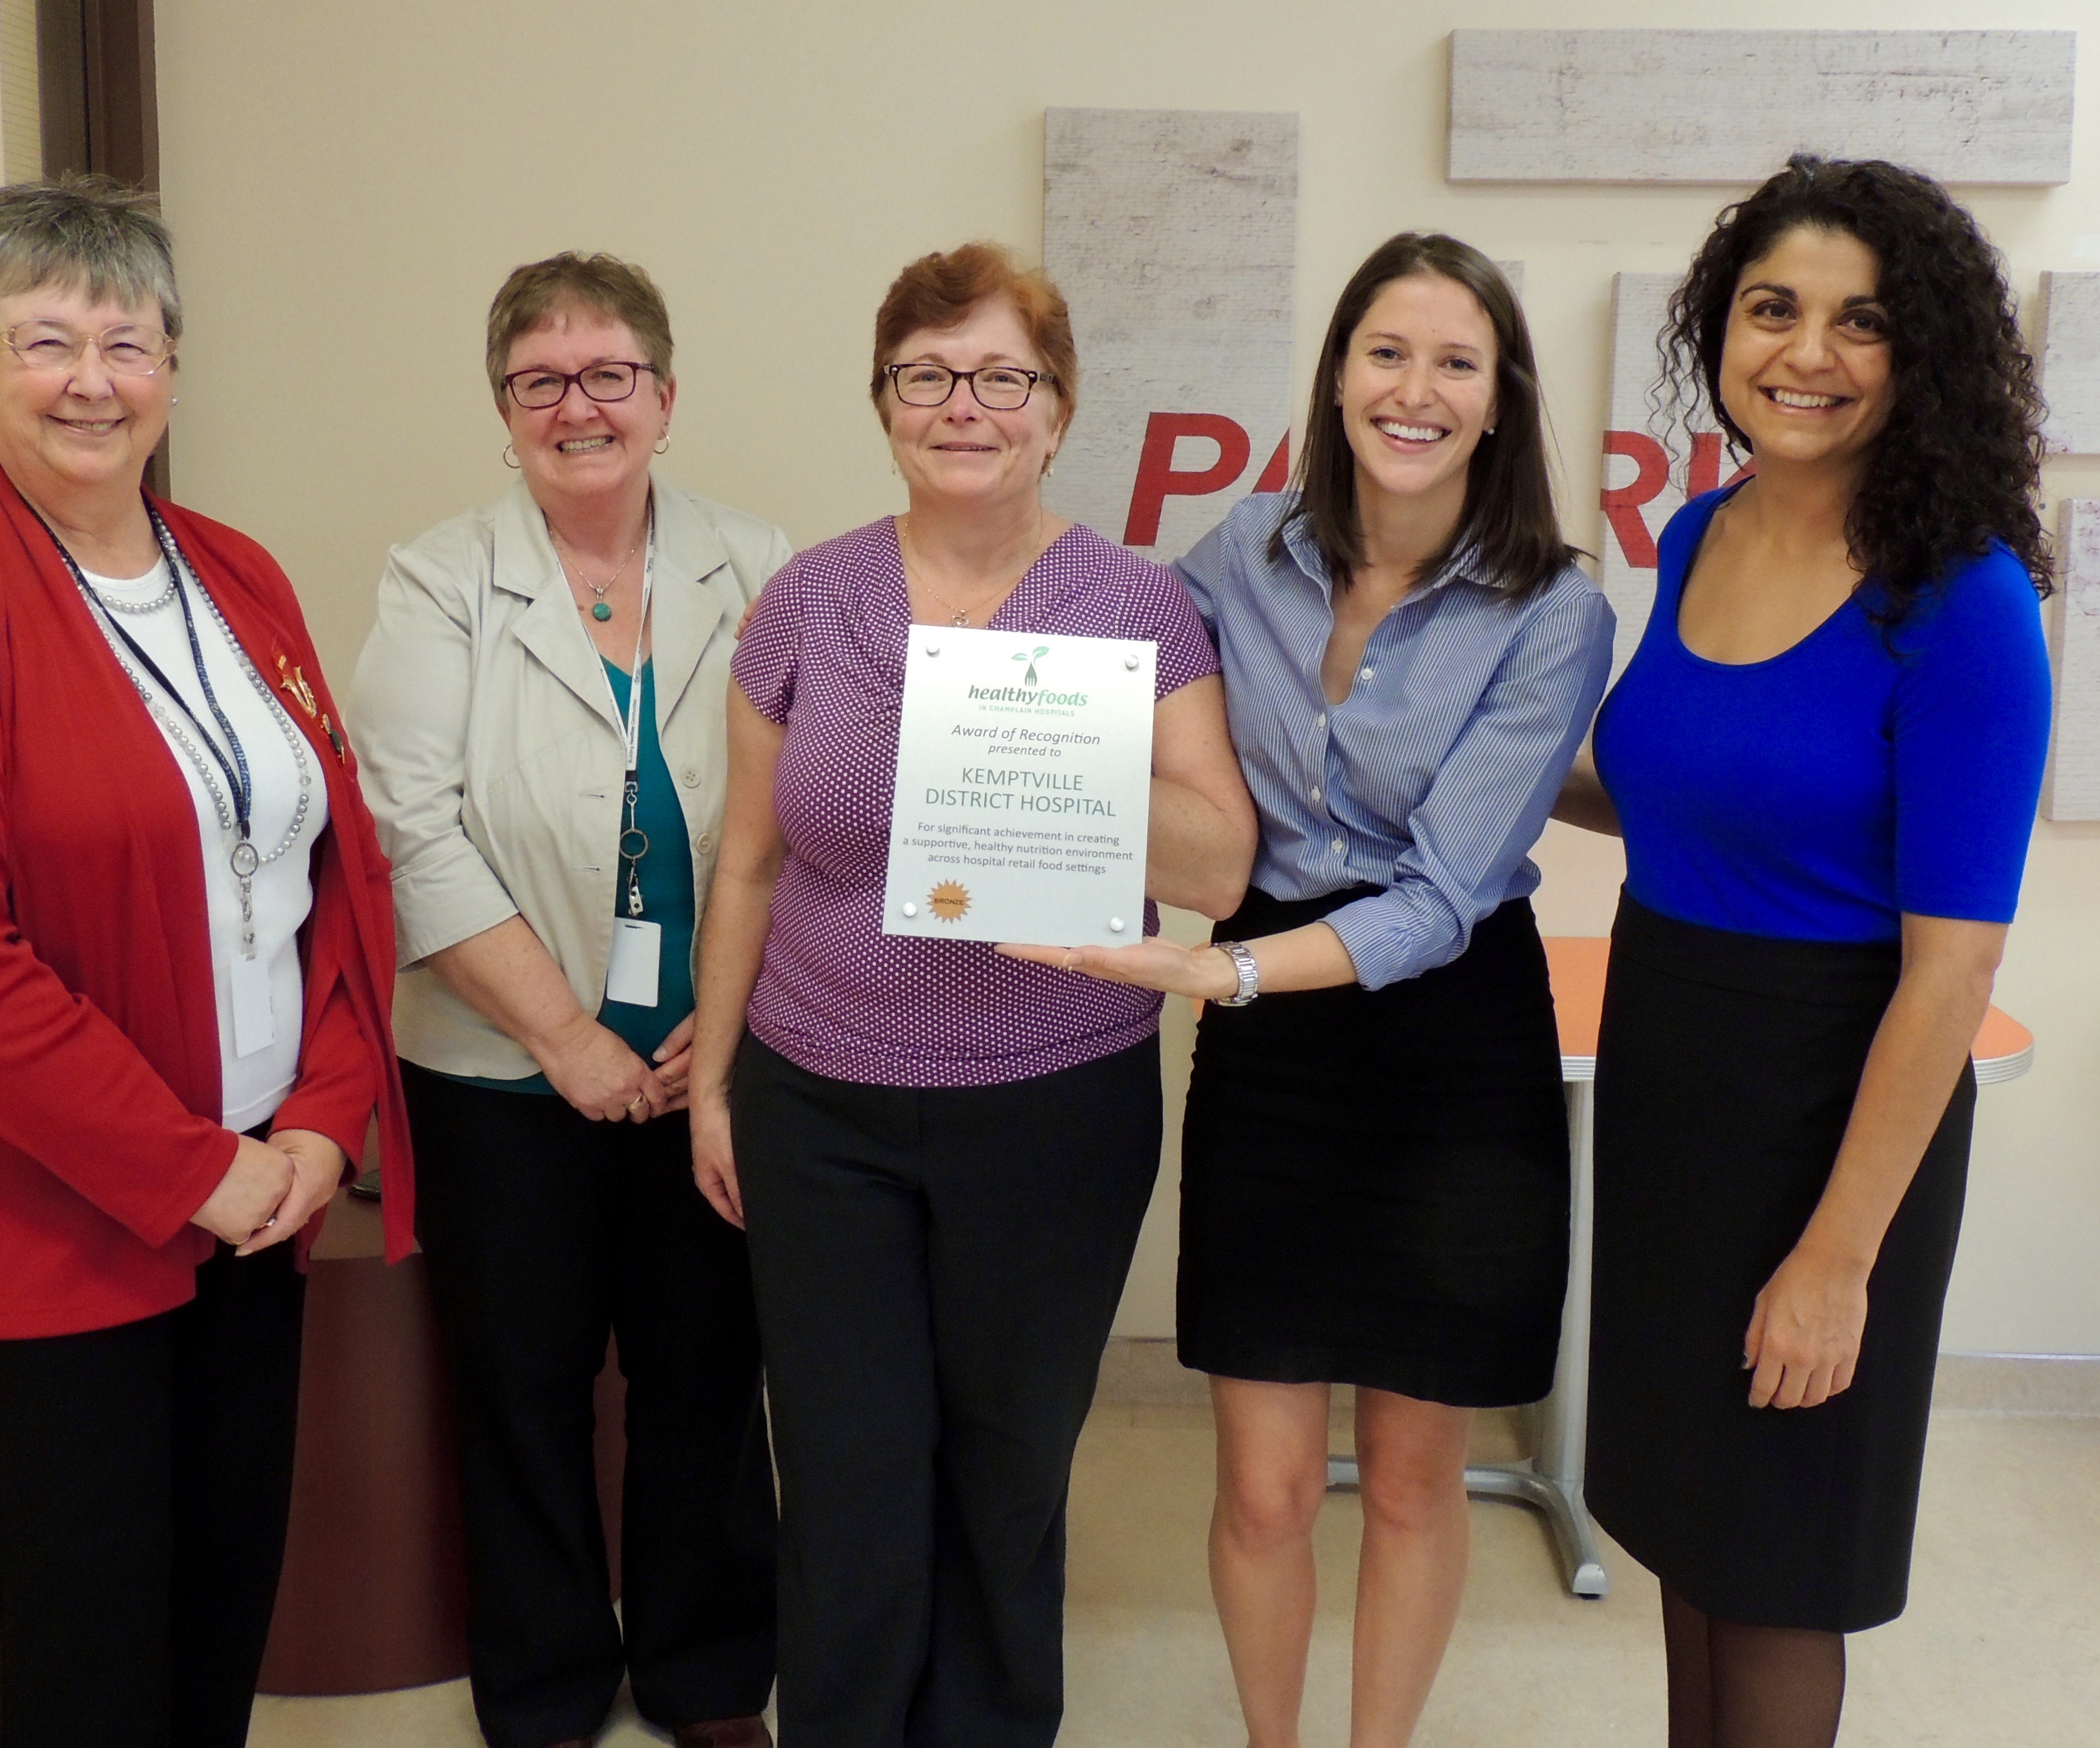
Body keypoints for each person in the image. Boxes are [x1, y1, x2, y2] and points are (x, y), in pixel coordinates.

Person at [0, 175, 410, 1748]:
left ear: (171, 365)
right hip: (39, 1229)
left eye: (126, 340)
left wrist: (315, 1123)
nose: (91, 377)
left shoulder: (241, 575)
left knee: (218, 1606)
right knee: (87, 1647)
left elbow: (324, 881)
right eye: (44, 339)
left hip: (256, 1205)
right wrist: (185, 1169)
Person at [1011, 234, 1614, 1748]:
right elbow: (1113, 718)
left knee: (1412, 1478)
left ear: (1498, 401)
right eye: (1384, 352)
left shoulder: (1551, 608)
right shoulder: (1237, 556)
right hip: (1273, 1062)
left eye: (1453, 362)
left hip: (1448, 1044)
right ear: (1338, 374)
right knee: (1264, 1485)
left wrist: (1219, 966)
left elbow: (1437, 893)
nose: (1412, 390)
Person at [685, 241, 1255, 1747]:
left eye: (1001, 376)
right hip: (818, 1104)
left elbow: (1218, 860)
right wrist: (712, 1084)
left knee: (1006, 1474)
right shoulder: (808, 598)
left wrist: (1049, 759)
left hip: (1050, 1109)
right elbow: (743, 864)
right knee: (848, 1469)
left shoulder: (1133, 606)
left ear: (1056, 410)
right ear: (883, 402)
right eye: (925, 376)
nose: (963, 405)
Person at [1557, 157, 2052, 1748]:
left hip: (1833, 1112)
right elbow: (1675, 796)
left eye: (1859, 322)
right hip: (1667, 1088)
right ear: (1720, 327)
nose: (1806, 353)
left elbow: (1950, 969)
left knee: (1774, 1569)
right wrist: (1434, 765)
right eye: (1771, 309)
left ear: (1921, 358)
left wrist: (1834, 1262)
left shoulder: (1961, 598)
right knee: (1687, 1543)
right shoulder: (1695, 532)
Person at [348, 252, 783, 1748]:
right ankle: (538, 1687)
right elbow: (409, 822)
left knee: (706, 1381)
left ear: (664, 396)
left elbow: (797, 819)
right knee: (520, 1394)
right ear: (504, 410)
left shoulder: (762, 564)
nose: (577, 406)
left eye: (608, 375)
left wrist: (705, 1030)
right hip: (495, 1073)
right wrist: (566, 1034)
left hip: (707, 1057)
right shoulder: (436, 576)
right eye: (541, 381)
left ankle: (708, 1672)